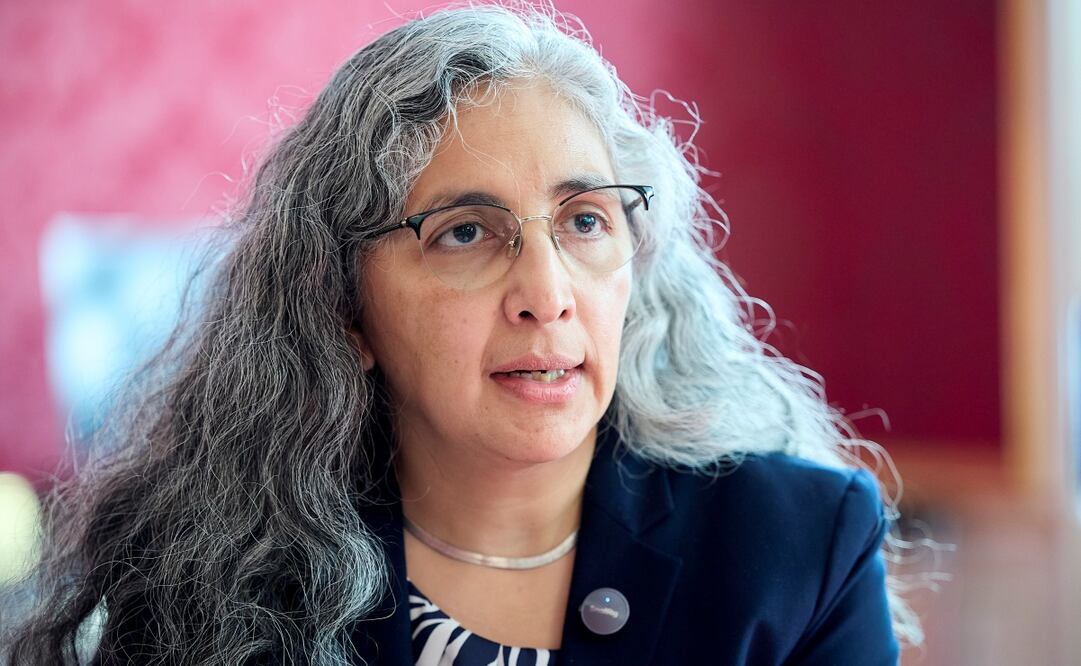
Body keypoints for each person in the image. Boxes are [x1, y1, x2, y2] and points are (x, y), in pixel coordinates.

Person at [5, 4, 921, 664]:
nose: (545, 293)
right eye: (465, 233)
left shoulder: (801, 546)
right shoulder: (200, 578)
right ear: (343, 309)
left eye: (585, 221)